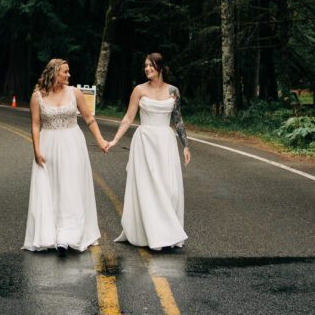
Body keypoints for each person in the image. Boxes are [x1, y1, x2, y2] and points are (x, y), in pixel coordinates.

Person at [105, 52, 190, 250]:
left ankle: (168, 231)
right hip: (145, 143)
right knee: (149, 189)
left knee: (170, 189)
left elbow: (178, 119)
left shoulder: (173, 91)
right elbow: (128, 118)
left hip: (166, 142)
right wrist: (115, 140)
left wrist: (185, 145)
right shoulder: (139, 90)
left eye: (151, 66)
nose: (147, 69)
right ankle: (152, 235)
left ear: (160, 67)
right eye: (145, 66)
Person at [23, 58, 108, 252]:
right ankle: (50, 232)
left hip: (72, 144)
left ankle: (68, 235)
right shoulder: (37, 97)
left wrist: (101, 140)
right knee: (51, 187)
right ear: (54, 73)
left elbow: (89, 118)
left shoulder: (74, 93)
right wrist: (36, 149)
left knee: (70, 187)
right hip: (48, 143)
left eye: (69, 71)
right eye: (65, 72)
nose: (69, 75)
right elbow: (35, 125)